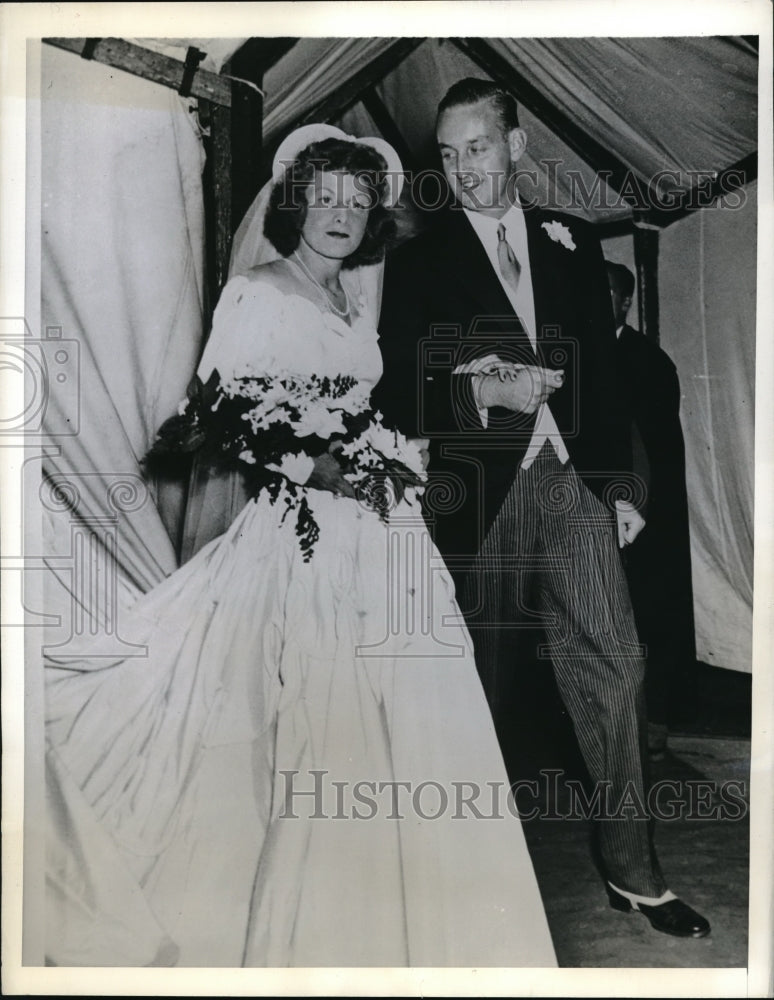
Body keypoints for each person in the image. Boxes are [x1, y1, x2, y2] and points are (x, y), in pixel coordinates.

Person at [43, 125, 557, 968]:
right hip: (304, 532)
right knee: (324, 720)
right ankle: (324, 936)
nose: (342, 215)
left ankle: (419, 920)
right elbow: (223, 416)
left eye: (357, 203)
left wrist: (394, 451)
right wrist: (315, 465)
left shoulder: (357, 302)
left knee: (415, 707)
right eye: (326, 198)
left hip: (380, 528)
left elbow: (366, 408)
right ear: (298, 203)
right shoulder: (257, 291)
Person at [375, 79, 710, 939]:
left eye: (476, 149)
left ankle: (634, 871)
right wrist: (482, 387)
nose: (461, 171)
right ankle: (458, 885)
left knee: (618, 661)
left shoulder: (570, 244)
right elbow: (400, 385)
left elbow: (602, 381)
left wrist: (622, 488)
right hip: (478, 496)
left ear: (517, 148)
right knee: (478, 691)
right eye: (446, 156)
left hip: (572, 484)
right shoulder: (419, 258)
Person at [606, 261, 697, 761]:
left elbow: (655, 445)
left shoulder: (647, 361)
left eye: (607, 293)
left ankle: (654, 721)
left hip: (645, 512)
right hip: (599, 507)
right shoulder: (584, 351)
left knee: (649, 616)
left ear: (625, 302)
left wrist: (636, 503)